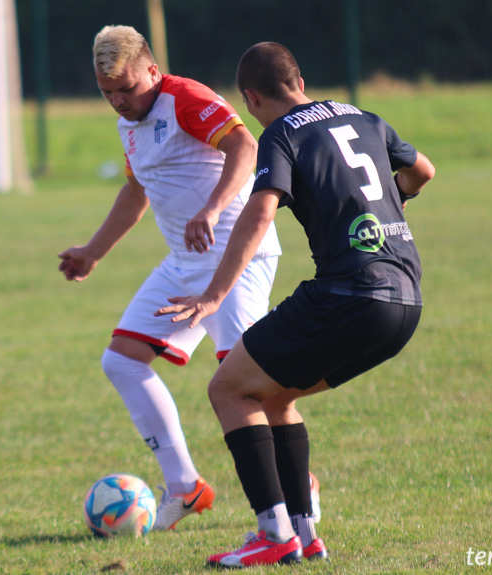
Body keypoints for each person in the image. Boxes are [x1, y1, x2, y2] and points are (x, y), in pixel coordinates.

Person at [156, 41, 435, 567]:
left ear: (250, 98)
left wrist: (214, 293)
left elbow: (260, 215)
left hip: (349, 293)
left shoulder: (280, 133)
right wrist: (381, 205)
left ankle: (273, 533)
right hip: (406, 303)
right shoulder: (366, 115)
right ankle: (304, 534)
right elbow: (423, 171)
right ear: (300, 79)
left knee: (229, 390)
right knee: (275, 395)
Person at [58, 26, 282, 531]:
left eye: (126, 88)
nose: (118, 100)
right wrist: (93, 252)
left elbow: (247, 147)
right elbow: (138, 192)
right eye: (106, 92)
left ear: (152, 72)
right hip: (184, 262)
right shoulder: (129, 124)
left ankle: (296, 491)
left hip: (235, 257)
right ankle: (185, 487)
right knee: (122, 360)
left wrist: (212, 207)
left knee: (253, 384)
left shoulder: (184, 97)